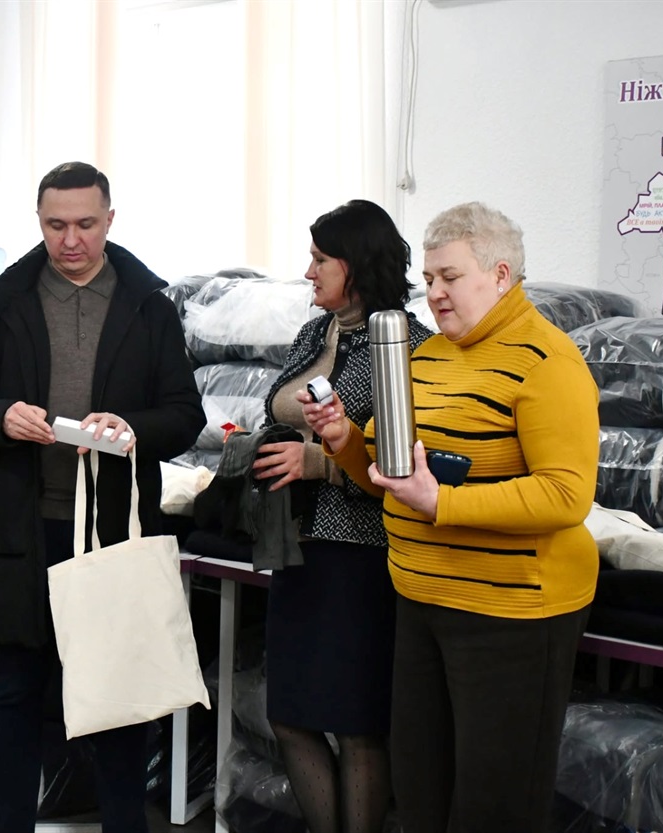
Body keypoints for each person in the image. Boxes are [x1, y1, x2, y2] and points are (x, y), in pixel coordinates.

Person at [301, 202, 598, 833]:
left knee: (493, 805)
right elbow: (386, 476)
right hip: (420, 600)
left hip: (510, 615)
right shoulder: (427, 356)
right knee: (421, 792)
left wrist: (444, 503)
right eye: (430, 278)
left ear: (500, 275)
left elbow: (565, 495)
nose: (434, 292)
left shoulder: (547, 362)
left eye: (450, 277)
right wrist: (344, 440)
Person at [0, 161, 205, 833]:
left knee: (119, 696)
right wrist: (2, 417)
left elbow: (185, 415)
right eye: (55, 225)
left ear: (110, 220)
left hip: (113, 531)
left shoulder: (148, 304)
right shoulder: (5, 300)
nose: (71, 240)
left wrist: (131, 426)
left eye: (86, 224)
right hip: (23, 528)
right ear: (39, 221)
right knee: (17, 693)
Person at [252, 200, 432, 833]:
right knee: (289, 715)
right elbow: (275, 410)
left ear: (355, 264)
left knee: (357, 724)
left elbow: (404, 460)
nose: (309, 272)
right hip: (298, 543)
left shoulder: (404, 344)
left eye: (321, 260)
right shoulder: (315, 334)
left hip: (359, 552)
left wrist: (320, 463)